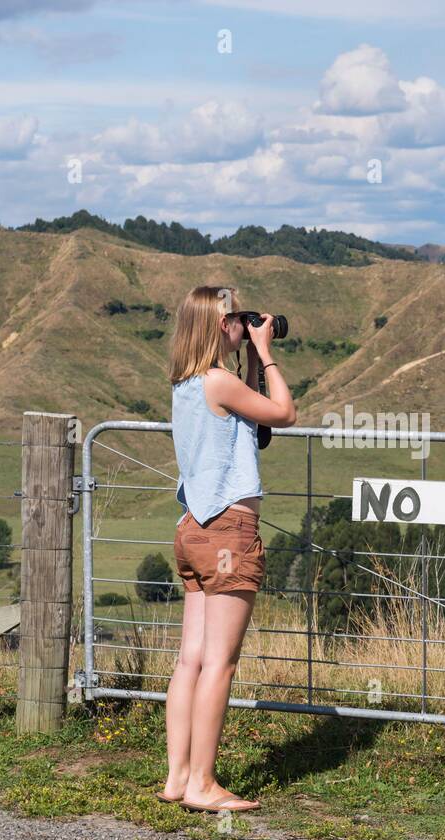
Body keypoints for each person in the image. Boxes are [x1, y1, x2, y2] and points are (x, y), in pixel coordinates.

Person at [161, 285, 296, 813]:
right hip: (228, 531)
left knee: (189, 661)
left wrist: (249, 360)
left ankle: (177, 778)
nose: (246, 322)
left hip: (193, 527)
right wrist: (265, 353)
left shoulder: (188, 384)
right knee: (220, 663)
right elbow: (284, 412)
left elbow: (252, 429)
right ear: (221, 326)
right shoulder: (220, 381)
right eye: (238, 317)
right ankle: (203, 785)